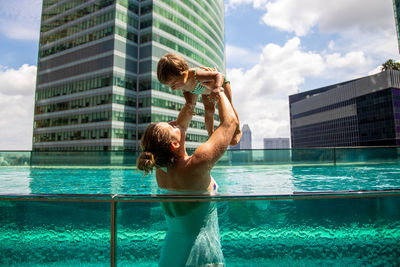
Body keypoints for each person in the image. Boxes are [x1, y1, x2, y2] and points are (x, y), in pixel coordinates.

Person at [136, 88, 239, 266]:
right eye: (171, 126)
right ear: (175, 144)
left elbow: (181, 126)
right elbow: (230, 123)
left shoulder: (160, 166)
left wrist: (190, 102)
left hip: (172, 252)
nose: (175, 122)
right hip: (200, 254)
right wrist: (218, 89)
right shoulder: (197, 163)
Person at [157, 53, 242, 146]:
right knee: (209, 112)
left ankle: (237, 130)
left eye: (174, 83)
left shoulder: (195, 75)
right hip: (204, 91)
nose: (173, 88)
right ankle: (211, 134)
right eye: (170, 85)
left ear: (183, 72)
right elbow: (187, 94)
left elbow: (218, 75)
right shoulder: (182, 84)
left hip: (219, 85)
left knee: (229, 105)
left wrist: (217, 88)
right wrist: (189, 106)